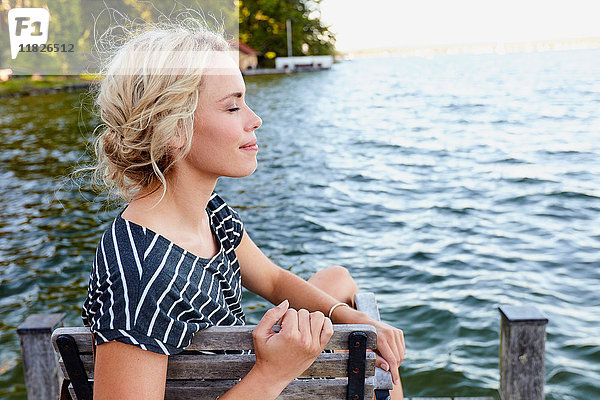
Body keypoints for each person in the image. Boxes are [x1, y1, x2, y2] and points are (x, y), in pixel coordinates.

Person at [80, 16, 405, 400]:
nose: (255, 119)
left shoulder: (208, 212)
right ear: (173, 128)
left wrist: (352, 319)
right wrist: (273, 372)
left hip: (240, 371)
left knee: (338, 280)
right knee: (384, 377)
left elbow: (272, 280)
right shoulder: (140, 278)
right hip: (258, 385)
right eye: (233, 107)